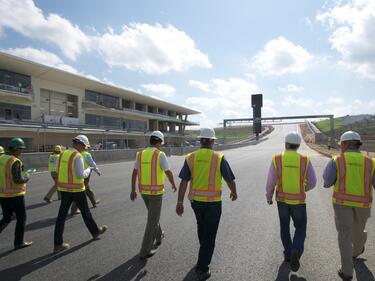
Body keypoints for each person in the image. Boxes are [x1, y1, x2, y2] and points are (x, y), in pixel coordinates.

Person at [176, 127, 237, 281]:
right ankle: (203, 268)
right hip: (213, 204)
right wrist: (233, 191)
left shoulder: (191, 157)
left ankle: (202, 259)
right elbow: (229, 178)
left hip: (196, 202)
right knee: (209, 235)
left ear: (200, 140)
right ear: (212, 141)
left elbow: (184, 180)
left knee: (202, 230)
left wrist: (179, 201)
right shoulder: (219, 157)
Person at [323, 131, 375, 281]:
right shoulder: (371, 162)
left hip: (342, 204)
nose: (340, 148)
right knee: (358, 232)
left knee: (345, 235)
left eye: (341, 145)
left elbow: (327, 182)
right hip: (363, 205)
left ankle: (347, 271)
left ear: (345, 144)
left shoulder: (336, 161)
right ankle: (357, 250)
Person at [265, 131, 317, 272]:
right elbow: (313, 182)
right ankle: (296, 250)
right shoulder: (304, 160)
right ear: (298, 145)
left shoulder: (277, 159)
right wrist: (303, 188)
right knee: (300, 228)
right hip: (299, 201)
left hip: (282, 200)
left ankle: (288, 254)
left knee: (284, 227)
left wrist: (269, 196)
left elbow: (271, 182)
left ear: (286, 144)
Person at [53, 135, 107, 254]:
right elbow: (80, 175)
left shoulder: (62, 154)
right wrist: (90, 169)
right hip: (77, 190)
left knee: (61, 217)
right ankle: (95, 231)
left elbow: (57, 171)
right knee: (86, 212)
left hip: (64, 190)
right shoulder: (77, 156)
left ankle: (57, 244)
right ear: (80, 144)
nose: (84, 148)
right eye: (84, 146)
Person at [130, 131, 177, 260]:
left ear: (150, 140)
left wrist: (133, 190)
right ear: (160, 142)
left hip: (144, 192)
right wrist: (173, 184)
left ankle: (159, 235)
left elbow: (134, 173)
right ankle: (144, 251)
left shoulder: (140, 154)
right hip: (155, 194)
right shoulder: (159, 155)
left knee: (153, 217)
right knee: (152, 221)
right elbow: (168, 172)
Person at [0, 138, 33, 249]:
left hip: (2, 194)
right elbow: (18, 179)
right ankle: (18, 243)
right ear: (15, 149)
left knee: (6, 218)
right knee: (21, 218)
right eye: (20, 149)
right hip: (15, 195)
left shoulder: (2, 158)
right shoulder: (14, 161)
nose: (21, 152)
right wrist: (27, 176)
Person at [70, 144, 101, 215]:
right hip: (85, 175)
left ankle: (94, 202)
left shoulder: (76, 154)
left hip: (78, 174)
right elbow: (92, 164)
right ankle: (74, 209)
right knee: (82, 192)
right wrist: (97, 171)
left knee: (87, 189)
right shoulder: (87, 154)